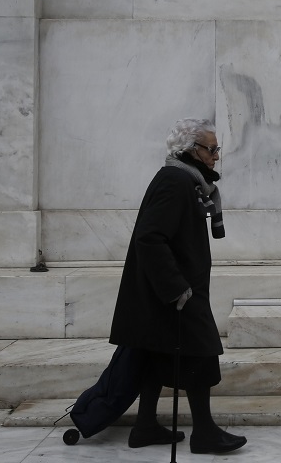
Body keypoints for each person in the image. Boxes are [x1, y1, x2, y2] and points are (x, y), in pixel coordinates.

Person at [109, 118, 246, 454]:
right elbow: (150, 238)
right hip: (175, 294)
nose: (216, 156)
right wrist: (178, 290)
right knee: (201, 353)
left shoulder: (185, 180)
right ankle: (204, 433)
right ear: (191, 150)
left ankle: (144, 427)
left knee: (156, 352)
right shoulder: (175, 181)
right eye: (211, 149)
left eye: (217, 150)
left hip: (168, 293)